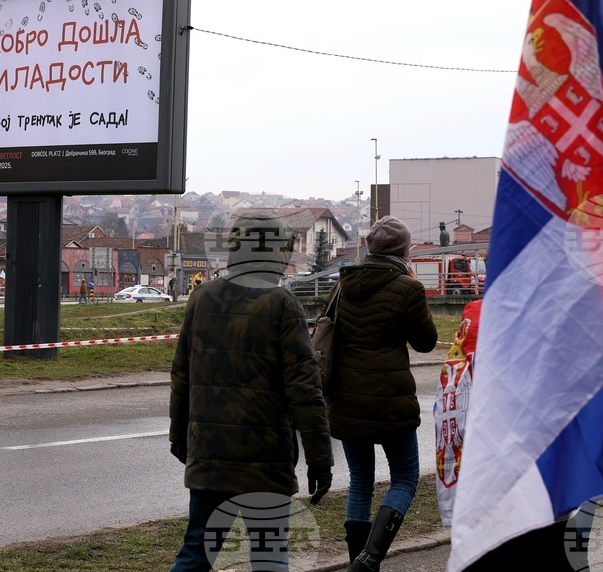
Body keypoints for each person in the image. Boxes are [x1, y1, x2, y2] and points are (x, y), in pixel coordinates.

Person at [168, 211, 334, 571]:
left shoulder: (202, 297)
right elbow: (305, 389)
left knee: (197, 550)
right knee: (268, 557)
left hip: (209, 450)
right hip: (265, 457)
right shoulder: (281, 304)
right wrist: (320, 458)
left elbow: (181, 373)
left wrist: (178, 435)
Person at [322, 215, 438, 570]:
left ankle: (357, 559)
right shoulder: (407, 288)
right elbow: (426, 341)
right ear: (404, 250)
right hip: (390, 401)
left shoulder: (343, 283)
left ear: (369, 248)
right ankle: (369, 560)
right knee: (404, 478)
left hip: (345, 398)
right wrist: (415, 287)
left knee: (360, 483)